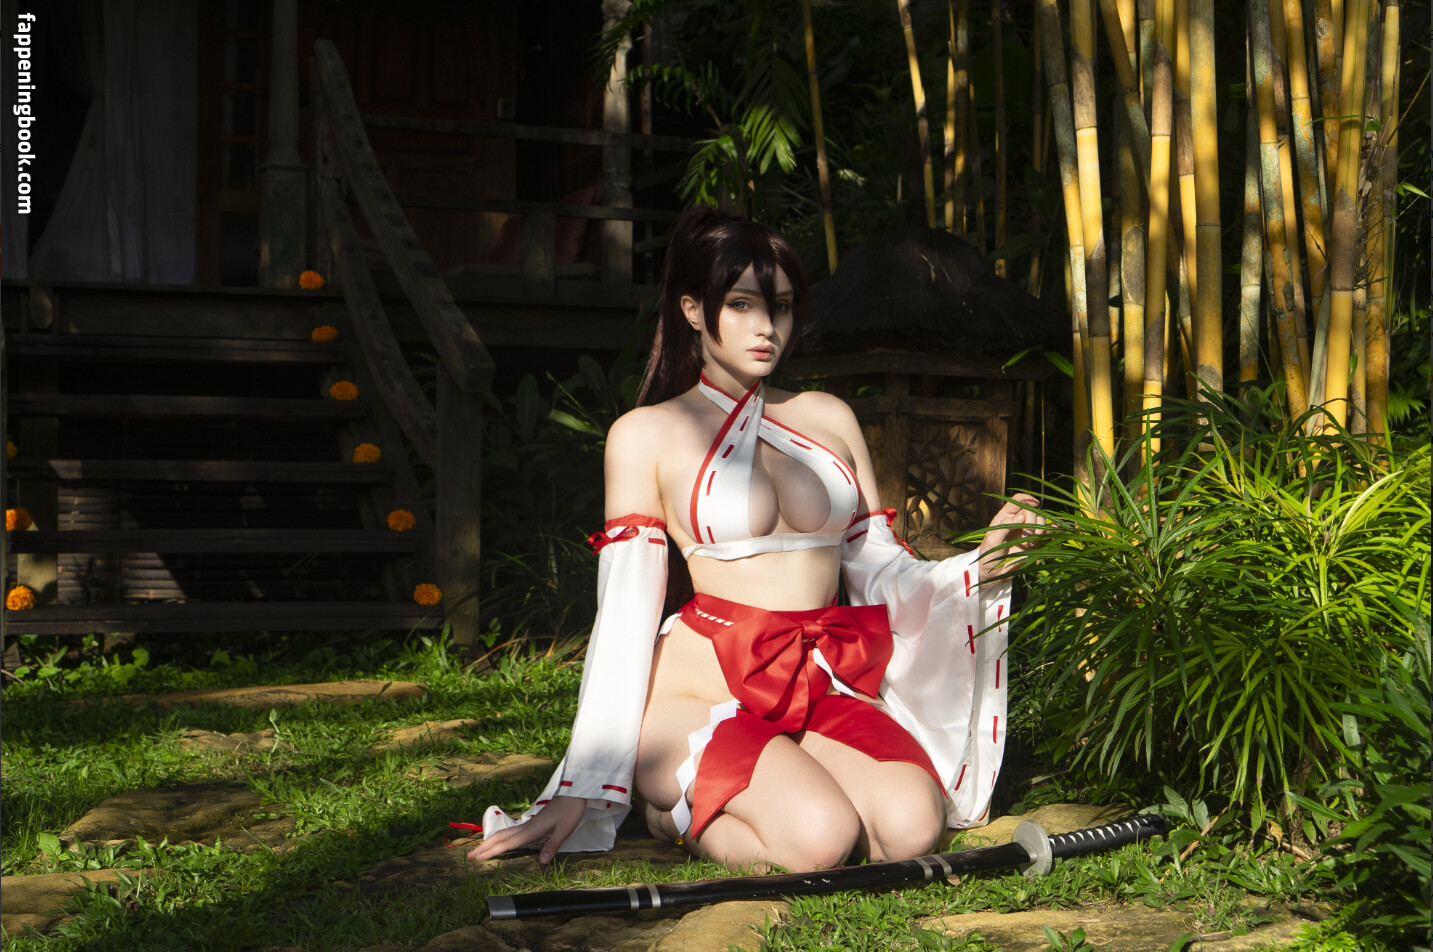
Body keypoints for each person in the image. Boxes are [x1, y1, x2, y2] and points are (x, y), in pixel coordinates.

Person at [467, 206, 1043, 873]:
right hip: (698, 697)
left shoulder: (828, 417)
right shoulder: (645, 434)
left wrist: (980, 567)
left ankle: (776, 785)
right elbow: (625, 606)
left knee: (911, 828)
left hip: (816, 686)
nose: (767, 327)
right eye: (741, 305)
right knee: (821, 840)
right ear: (691, 309)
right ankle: (666, 810)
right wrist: (585, 780)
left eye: (782, 307)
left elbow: (879, 567)